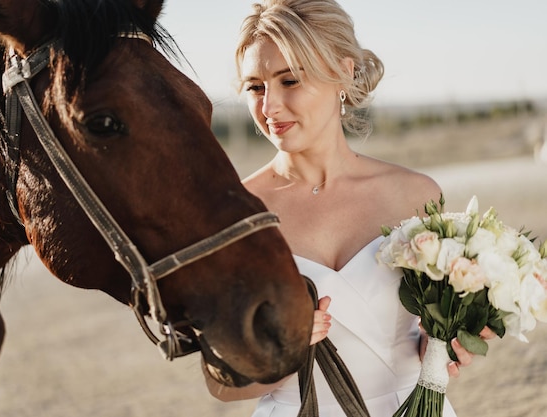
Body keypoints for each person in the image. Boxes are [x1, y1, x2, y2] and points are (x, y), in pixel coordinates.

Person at [202, 1, 495, 416]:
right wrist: (282, 357)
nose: (269, 108)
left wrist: (446, 344)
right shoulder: (233, 214)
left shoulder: (415, 194)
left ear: (341, 73)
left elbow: (431, 337)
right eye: (255, 87)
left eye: (289, 80)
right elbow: (219, 383)